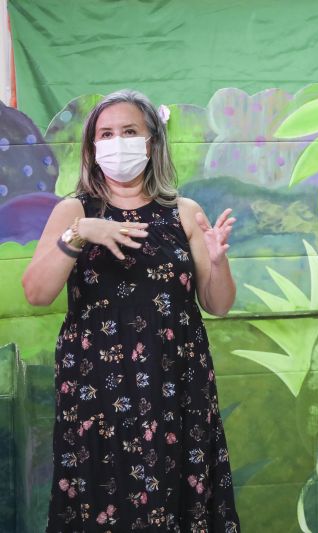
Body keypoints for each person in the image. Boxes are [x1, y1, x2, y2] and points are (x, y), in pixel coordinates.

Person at [22, 90, 241, 532]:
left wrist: (217, 262)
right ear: (91, 147)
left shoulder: (184, 213)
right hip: (96, 390)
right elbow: (37, 293)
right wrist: (81, 234)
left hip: (176, 384)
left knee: (174, 492)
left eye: (129, 132)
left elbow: (217, 304)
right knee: (103, 492)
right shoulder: (74, 211)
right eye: (106, 133)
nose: (117, 142)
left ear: (152, 142)